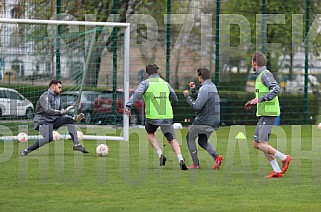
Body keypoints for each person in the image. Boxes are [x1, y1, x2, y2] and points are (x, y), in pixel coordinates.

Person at [125, 64, 187, 170]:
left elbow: (137, 94)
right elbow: (175, 97)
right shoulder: (165, 83)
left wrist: (128, 106)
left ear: (147, 73)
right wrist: (173, 103)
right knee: (171, 138)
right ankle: (180, 159)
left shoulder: (145, 83)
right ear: (157, 72)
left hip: (153, 116)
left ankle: (160, 154)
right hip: (167, 114)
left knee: (150, 133)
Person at [245, 52, 292, 178]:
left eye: (251, 63)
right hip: (265, 113)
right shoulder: (261, 75)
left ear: (255, 62)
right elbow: (264, 94)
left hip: (268, 113)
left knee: (257, 143)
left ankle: (284, 157)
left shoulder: (265, 74)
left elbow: (276, 89)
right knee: (263, 144)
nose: (251, 65)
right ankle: (276, 171)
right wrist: (254, 100)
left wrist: (261, 99)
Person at [20, 80, 89, 156]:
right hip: (42, 121)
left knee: (69, 120)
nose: (61, 89)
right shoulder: (45, 96)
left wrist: (73, 119)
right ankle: (27, 151)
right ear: (53, 86)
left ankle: (77, 145)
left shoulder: (58, 98)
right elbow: (48, 110)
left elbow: (61, 112)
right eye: (59, 87)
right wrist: (62, 112)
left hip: (53, 121)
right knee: (48, 138)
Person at [183, 68, 223, 170]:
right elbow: (203, 99)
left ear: (200, 77)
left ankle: (195, 164)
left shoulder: (204, 88)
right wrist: (193, 90)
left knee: (189, 137)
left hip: (204, 120)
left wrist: (187, 97)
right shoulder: (212, 86)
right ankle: (217, 157)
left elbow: (197, 106)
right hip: (214, 120)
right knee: (202, 140)